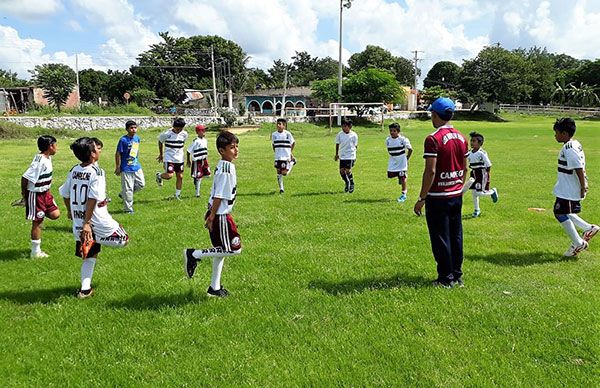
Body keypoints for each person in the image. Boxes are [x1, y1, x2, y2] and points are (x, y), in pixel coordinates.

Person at [59, 137, 129, 299]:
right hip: (96, 219)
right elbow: (92, 198)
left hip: (78, 219)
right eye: (97, 149)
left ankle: (85, 289)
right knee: (123, 239)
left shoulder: (74, 170)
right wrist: (87, 223)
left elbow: (64, 193)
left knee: (89, 255)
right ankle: (96, 239)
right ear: (91, 154)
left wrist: (70, 211)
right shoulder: (97, 172)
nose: (99, 150)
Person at [413, 97, 468, 288]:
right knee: (456, 234)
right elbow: (465, 167)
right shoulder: (462, 137)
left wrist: (422, 198)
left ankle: (445, 278)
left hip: (438, 197)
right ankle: (457, 274)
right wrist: (457, 185)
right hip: (456, 194)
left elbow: (431, 171)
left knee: (440, 237)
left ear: (435, 114)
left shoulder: (433, 139)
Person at [184, 131, 242, 298]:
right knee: (232, 249)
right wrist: (212, 216)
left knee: (220, 251)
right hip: (221, 216)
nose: (236, 150)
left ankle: (214, 288)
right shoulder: (225, 169)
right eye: (232, 147)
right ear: (221, 150)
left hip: (220, 214)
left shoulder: (227, 165)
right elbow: (219, 195)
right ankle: (194, 254)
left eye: (237, 146)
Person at [552, 118, 599, 257]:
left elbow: (578, 167)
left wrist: (583, 186)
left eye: (557, 133)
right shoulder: (574, 144)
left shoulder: (569, 148)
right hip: (566, 187)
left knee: (560, 213)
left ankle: (578, 243)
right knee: (565, 211)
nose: (555, 136)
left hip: (569, 189)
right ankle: (588, 228)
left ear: (565, 134)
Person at [19, 135, 61, 258]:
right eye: (55, 145)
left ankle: (40, 212)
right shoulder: (40, 161)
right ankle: (35, 252)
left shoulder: (47, 158)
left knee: (55, 214)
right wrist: (24, 195)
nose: (56, 148)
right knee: (37, 222)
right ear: (50, 146)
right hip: (36, 194)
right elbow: (25, 177)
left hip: (46, 193)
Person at [115, 120, 145, 213]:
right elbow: (118, 153)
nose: (133, 130)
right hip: (126, 167)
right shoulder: (123, 140)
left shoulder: (137, 138)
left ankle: (123, 194)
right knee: (128, 189)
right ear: (127, 129)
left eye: (135, 127)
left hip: (136, 166)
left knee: (141, 184)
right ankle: (128, 209)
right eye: (131, 128)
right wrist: (118, 166)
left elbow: (136, 151)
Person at [467, 131, 498, 217]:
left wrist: (486, 175)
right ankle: (477, 210)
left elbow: (488, 165)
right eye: (471, 141)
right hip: (473, 173)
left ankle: (492, 192)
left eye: (474, 141)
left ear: (480, 143)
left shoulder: (482, 153)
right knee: (474, 193)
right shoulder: (469, 152)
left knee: (480, 193)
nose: (471, 143)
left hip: (481, 173)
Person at [156, 117, 189, 200]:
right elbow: (160, 141)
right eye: (177, 129)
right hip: (169, 158)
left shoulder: (184, 134)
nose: (178, 131)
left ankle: (177, 195)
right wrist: (161, 154)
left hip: (180, 159)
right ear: (173, 126)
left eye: (180, 129)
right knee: (169, 176)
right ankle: (159, 175)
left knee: (180, 176)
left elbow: (182, 144)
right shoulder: (167, 134)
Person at [385, 122, 413, 202]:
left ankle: (404, 194)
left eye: (394, 131)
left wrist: (407, 158)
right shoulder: (388, 140)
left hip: (402, 162)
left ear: (398, 131)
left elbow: (410, 149)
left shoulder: (403, 139)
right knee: (390, 175)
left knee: (402, 177)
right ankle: (400, 176)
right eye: (391, 131)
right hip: (393, 161)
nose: (392, 132)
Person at [271, 118, 296, 194]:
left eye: (280, 124)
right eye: (277, 124)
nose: (278, 125)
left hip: (285, 156)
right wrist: (275, 152)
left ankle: (292, 163)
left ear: (284, 126)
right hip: (278, 156)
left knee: (284, 173)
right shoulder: (274, 134)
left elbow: (293, 143)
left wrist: (290, 153)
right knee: (278, 172)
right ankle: (281, 189)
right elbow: (273, 144)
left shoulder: (287, 134)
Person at [186, 124, 211, 197]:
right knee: (198, 176)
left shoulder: (205, 140)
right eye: (202, 130)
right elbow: (188, 151)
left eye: (205, 130)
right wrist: (188, 160)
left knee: (208, 175)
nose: (204, 132)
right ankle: (197, 193)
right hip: (197, 161)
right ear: (198, 132)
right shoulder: (196, 141)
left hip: (204, 160)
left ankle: (196, 179)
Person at [334, 119, 358, 193]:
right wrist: (337, 154)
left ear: (350, 126)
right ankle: (347, 182)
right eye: (342, 126)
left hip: (350, 155)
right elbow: (337, 144)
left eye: (345, 126)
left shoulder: (354, 135)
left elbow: (355, 145)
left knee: (347, 170)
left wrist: (354, 154)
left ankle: (352, 184)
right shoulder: (340, 134)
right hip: (342, 155)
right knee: (341, 171)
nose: (343, 128)